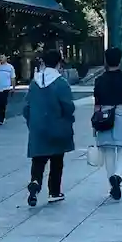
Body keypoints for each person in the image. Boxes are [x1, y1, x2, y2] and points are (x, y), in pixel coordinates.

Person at [24, 49, 76, 206]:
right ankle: (54, 191)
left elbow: (26, 107)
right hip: (56, 126)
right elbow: (68, 106)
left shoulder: (34, 83)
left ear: (43, 63)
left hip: (37, 127)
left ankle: (35, 182)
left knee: (38, 159)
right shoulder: (61, 83)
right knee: (57, 160)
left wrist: (32, 123)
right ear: (59, 63)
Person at [92, 47, 122, 200]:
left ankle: (112, 183)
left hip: (105, 115)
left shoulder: (99, 81)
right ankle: (118, 176)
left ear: (106, 60)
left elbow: (97, 104)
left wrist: (95, 122)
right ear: (120, 60)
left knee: (108, 151)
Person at [0, 56, 15, 126]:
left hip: (5, 88)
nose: (1, 59)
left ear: (5, 58)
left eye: (2, 57)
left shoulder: (10, 67)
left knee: (3, 102)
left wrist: (13, 88)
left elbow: (13, 78)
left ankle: (1, 118)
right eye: (0, 57)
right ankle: (0, 114)